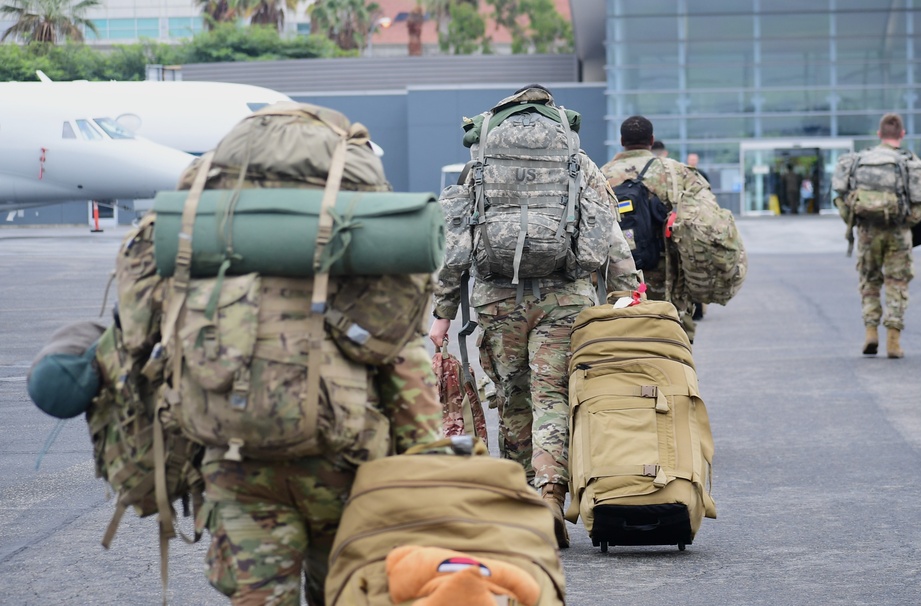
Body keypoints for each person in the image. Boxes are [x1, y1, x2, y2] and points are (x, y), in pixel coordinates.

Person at [173, 105, 443, 606]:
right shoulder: (364, 241)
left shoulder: (210, 238)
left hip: (237, 461)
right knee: (347, 595)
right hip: (344, 463)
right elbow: (403, 362)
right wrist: (427, 469)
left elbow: (159, 351)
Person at [429, 85, 640, 549]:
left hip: (497, 299)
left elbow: (456, 245)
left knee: (511, 395)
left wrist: (443, 312)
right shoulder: (576, 164)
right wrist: (628, 294)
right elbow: (607, 233)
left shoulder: (480, 167)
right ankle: (551, 493)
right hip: (564, 297)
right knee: (553, 394)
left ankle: (525, 499)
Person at [834, 112, 921, 359]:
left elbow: (840, 197)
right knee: (897, 282)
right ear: (901, 135)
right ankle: (893, 341)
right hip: (899, 233)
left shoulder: (858, 160)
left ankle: (870, 332)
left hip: (868, 232)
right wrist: (905, 223)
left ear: (879, 135)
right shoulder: (909, 162)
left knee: (869, 281)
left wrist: (855, 223)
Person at [600, 115, 704, 342]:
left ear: (621, 140)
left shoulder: (600, 174)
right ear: (652, 139)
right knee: (672, 343)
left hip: (620, 281)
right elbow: (703, 222)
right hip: (668, 278)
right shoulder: (676, 173)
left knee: (629, 342)